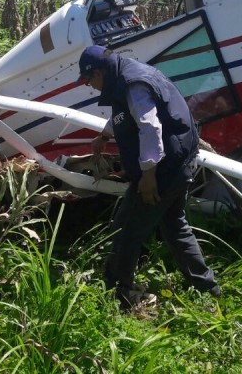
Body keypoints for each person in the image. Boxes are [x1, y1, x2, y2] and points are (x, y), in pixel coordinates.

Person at [78, 45, 220, 310]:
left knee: (126, 229)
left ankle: (118, 294)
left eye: (89, 79)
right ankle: (208, 289)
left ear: (99, 72)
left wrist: (148, 176)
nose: (90, 85)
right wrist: (105, 135)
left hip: (164, 170)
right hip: (179, 164)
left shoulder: (133, 84)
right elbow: (129, 114)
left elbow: (149, 127)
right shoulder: (130, 73)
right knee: (175, 226)